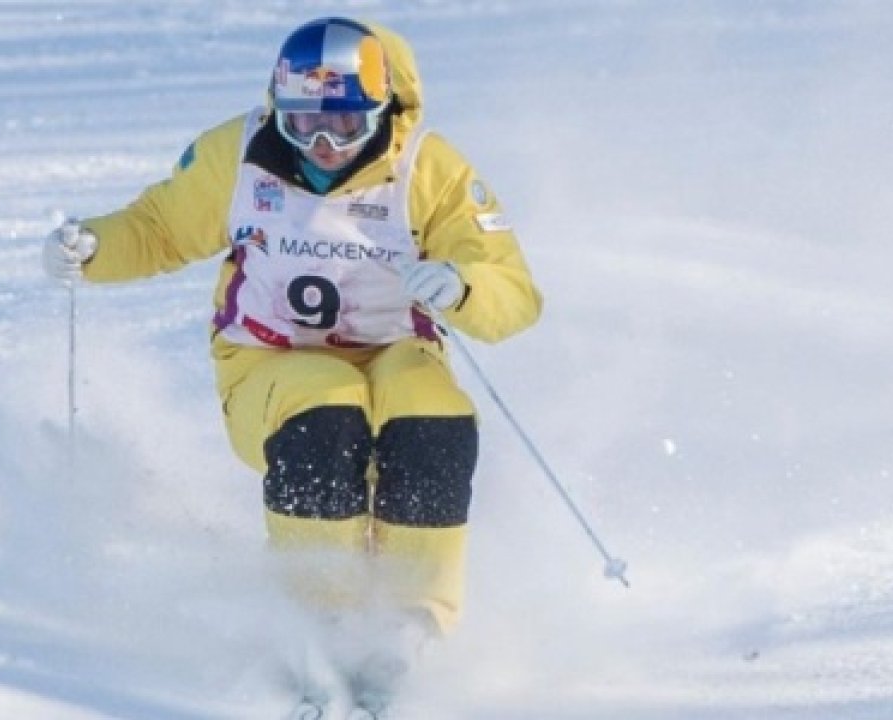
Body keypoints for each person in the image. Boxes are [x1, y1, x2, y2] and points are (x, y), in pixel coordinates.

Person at [43, 15, 542, 711]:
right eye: (304, 122)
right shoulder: (240, 155)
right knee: (326, 407)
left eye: (345, 123)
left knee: (434, 414)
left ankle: (407, 618)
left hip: (397, 350)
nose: (324, 144)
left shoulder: (428, 168)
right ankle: (321, 614)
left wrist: (463, 285)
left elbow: (513, 290)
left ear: (381, 110)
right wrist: (94, 248)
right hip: (268, 363)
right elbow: (159, 228)